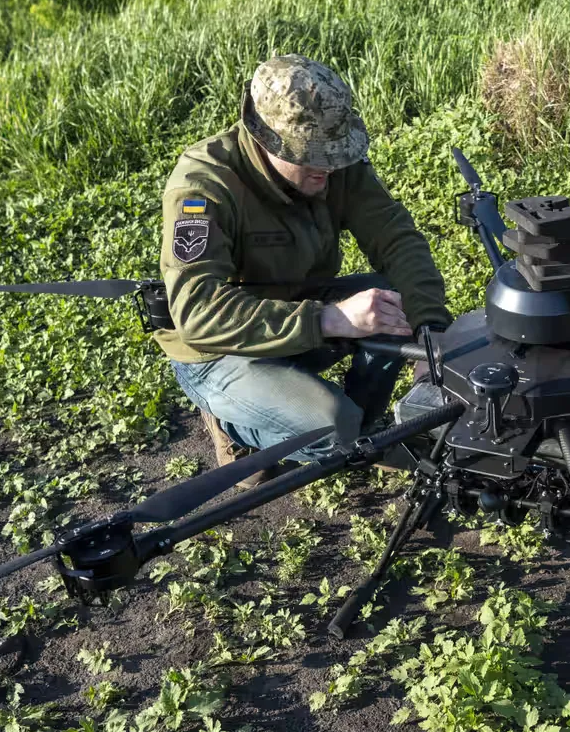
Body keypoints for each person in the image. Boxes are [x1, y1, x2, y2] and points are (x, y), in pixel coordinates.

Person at [155, 54, 451, 485]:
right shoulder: (203, 187)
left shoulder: (333, 166)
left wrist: (430, 333)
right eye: (312, 155)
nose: (329, 167)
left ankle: (358, 429)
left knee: (394, 302)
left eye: (334, 152)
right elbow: (198, 313)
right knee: (331, 426)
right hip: (221, 348)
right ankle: (235, 427)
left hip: (301, 310)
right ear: (263, 137)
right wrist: (331, 319)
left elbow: (395, 237)